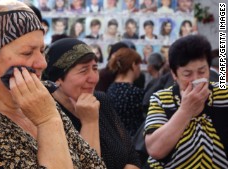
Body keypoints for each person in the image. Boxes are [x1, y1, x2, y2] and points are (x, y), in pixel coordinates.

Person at [0, 1, 106, 168]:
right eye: (27, 52)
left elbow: (95, 165)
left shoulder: (36, 103)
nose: (42, 63)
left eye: (41, 50)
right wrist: (47, 121)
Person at [42, 38, 141, 169]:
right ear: (58, 78)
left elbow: (132, 157)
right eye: (83, 71)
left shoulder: (100, 100)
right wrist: (89, 122)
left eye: (95, 68)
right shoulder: (48, 115)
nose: (94, 79)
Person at [144, 35, 228, 168]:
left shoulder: (223, 95)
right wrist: (185, 110)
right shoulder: (161, 99)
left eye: (202, 71)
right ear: (174, 74)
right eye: (187, 74)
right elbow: (155, 150)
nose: (196, 79)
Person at [106, 48, 144, 137]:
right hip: (132, 142)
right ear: (134, 65)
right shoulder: (135, 93)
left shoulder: (111, 88)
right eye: (139, 65)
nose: (140, 69)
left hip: (114, 139)